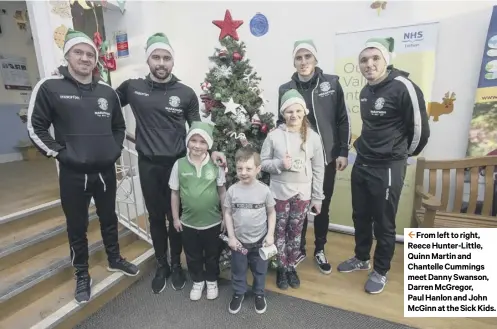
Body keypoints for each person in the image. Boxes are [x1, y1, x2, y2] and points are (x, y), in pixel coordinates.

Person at [26, 29, 139, 304]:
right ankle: (82, 275)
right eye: (79, 52)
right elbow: (35, 127)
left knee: (109, 218)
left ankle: (114, 259)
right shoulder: (50, 87)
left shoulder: (107, 92)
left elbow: (119, 127)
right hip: (73, 175)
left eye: (90, 54)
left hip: (104, 172)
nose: (85, 58)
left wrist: (113, 152)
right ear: (67, 55)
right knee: (77, 227)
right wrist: (60, 153)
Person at [114, 33, 226, 293]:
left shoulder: (185, 93)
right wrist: (119, 135)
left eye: (166, 58)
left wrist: (214, 151)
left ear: (172, 62)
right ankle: (162, 265)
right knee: (155, 217)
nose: (161, 62)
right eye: (156, 57)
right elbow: (104, 106)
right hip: (149, 164)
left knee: (175, 217)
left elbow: (198, 129)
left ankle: (177, 264)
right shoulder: (132, 87)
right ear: (148, 60)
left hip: (178, 166)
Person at [336, 37, 430, 294]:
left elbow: (420, 132)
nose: (369, 64)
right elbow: (371, 128)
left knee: (384, 222)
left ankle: (381, 270)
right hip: (363, 163)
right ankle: (362, 258)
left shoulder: (403, 87)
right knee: (360, 215)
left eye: (375, 58)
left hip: (388, 166)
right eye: (364, 60)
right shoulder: (366, 91)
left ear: (386, 60)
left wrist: (398, 155)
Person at [276, 39, 350, 274]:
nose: (303, 61)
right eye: (299, 57)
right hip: (297, 159)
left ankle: (319, 248)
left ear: (315, 59)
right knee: (295, 205)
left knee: (321, 205)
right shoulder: (285, 89)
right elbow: (281, 121)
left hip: (325, 158)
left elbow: (342, 120)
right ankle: (297, 248)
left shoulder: (332, 83)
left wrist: (342, 151)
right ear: (294, 61)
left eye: (308, 56)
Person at [262, 89, 325, 290]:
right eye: (289, 111)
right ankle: (280, 266)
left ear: (304, 112)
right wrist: (280, 164)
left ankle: (291, 265)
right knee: (279, 231)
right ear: (283, 113)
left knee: (296, 232)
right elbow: (263, 163)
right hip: (279, 192)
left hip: (302, 194)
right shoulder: (274, 136)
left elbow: (318, 168)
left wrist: (317, 197)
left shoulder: (313, 137)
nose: (294, 115)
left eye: (298, 111)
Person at [169, 121, 226, 301]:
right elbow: (175, 193)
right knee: (192, 255)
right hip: (188, 222)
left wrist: (225, 216)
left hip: (213, 222)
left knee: (211, 255)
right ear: (188, 142)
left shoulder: (216, 165)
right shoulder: (179, 164)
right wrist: (176, 218)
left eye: (202, 142)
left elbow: (222, 191)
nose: (197, 145)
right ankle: (197, 280)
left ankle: (211, 281)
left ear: (208, 145)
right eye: (193, 140)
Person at [223, 146, 276, 315]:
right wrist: (231, 237)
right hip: (238, 242)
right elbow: (228, 213)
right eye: (240, 168)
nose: (243, 172)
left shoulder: (264, 190)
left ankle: (259, 294)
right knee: (238, 270)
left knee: (260, 271)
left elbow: (271, 212)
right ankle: (239, 293)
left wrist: (270, 234)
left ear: (258, 169)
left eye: (248, 168)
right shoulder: (232, 191)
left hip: (260, 242)